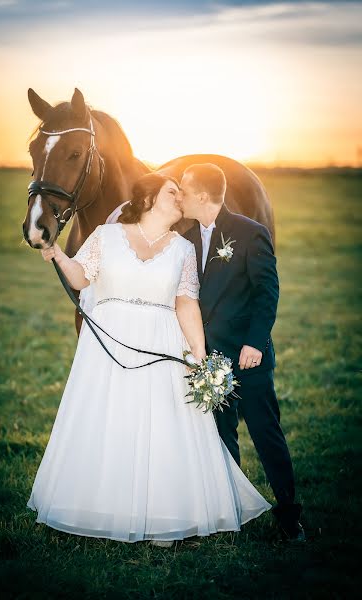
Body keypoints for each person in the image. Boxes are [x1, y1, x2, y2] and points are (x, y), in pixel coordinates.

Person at [27, 172, 271, 547]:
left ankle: (163, 516)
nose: (180, 198)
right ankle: (99, 506)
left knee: (161, 427)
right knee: (109, 421)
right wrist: (57, 253)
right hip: (109, 346)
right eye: (173, 192)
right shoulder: (107, 237)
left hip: (161, 344)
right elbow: (80, 279)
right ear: (148, 198)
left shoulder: (182, 248)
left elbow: (186, 302)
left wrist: (200, 358)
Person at [178, 163, 305, 542]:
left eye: (184, 191)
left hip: (248, 355)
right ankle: (229, 510)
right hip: (209, 357)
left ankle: (288, 514)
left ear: (202, 195)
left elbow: (267, 292)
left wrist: (254, 342)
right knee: (220, 434)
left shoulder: (250, 233)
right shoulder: (184, 236)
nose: (179, 197)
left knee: (266, 432)